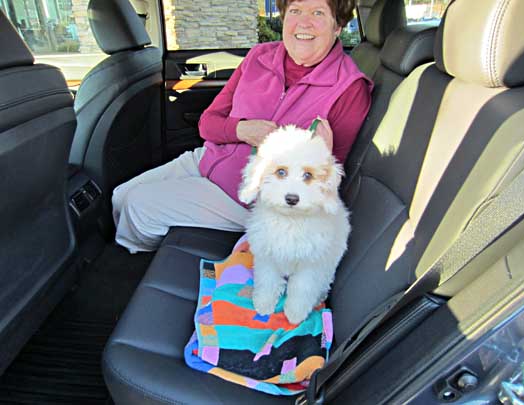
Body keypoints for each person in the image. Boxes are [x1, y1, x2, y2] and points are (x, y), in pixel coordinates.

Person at [112, 0, 373, 253]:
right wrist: (242, 130)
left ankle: (135, 259)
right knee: (120, 196)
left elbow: (324, 187)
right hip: (205, 160)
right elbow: (207, 124)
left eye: (318, 12)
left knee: (137, 206)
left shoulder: (349, 89)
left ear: (337, 26)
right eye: (295, 10)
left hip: (243, 197)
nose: (303, 22)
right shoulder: (260, 56)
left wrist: (320, 157)